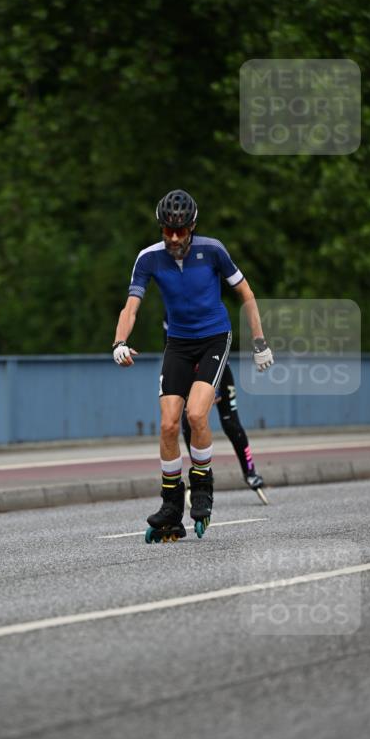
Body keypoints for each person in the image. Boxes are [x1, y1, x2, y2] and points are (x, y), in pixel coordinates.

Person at [112, 189, 273, 540]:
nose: (173, 238)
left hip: (215, 337)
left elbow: (245, 293)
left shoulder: (213, 251)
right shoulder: (149, 258)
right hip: (179, 343)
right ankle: (171, 503)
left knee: (196, 415)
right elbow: (131, 306)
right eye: (166, 231)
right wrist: (119, 342)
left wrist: (259, 342)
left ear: (192, 227)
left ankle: (202, 487)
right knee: (169, 424)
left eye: (180, 231)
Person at [161, 318, 267, 500]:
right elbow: (171, 349)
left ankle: (250, 471)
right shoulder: (170, 310)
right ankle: (200, 476)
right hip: (190, 371)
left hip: (218, 368)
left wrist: (215, 387)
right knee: (189, 421)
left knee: (231, 423)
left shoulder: (204, 298)